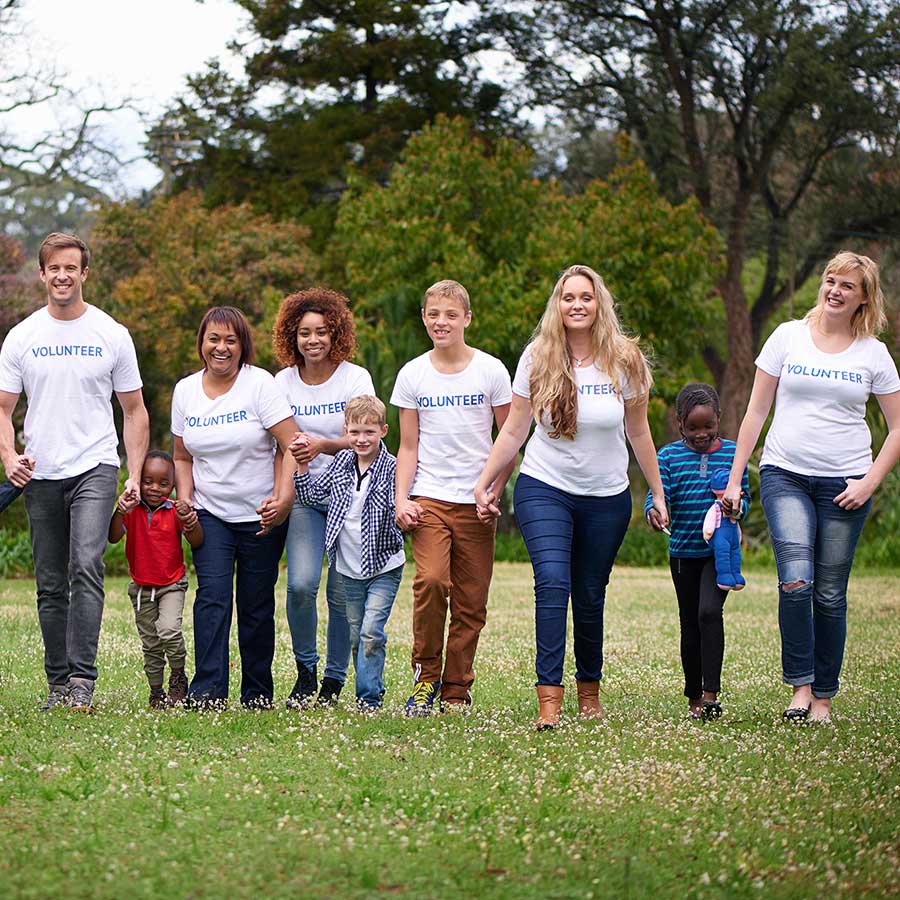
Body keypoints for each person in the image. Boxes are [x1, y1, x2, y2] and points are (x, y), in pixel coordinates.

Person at [475, 264, 668, 729]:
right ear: (557, 305)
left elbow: (639, 432)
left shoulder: (625, 359)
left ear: (599, 303)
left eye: (585, 297)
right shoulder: (537, 356)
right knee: (552, 583)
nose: (577, 305)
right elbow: (515, 428)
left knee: (589, 593)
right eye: (568, 297)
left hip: (606, 496)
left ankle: (589, 692)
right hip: (544, 487)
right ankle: (549, 701)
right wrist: (485, 481)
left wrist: (657, 493)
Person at [723, 251, 900, 724]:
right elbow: (756, 411)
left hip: (846, 484)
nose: (835, 290)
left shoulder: (873, 354)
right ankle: (800, 688)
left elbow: (897, 428)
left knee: (830, 594)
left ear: (864, 298)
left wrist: (870, 482)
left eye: (847, 285)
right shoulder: (788, 337)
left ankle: (823, 697)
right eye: (830, 280)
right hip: (785, 474)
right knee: (796, 581)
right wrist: (735, 478)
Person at [0, 232, 149, 713]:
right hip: (40, 470)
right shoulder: (22, 337)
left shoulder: (111, 333)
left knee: (85, 564)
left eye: (71, 268)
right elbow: (3, 409)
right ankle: (58, 684)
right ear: (42, 274)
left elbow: (134, 410)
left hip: (96, 465)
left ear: (84, 273)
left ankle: (83, 679)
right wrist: (9, 457)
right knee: (49, 581)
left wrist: (134, 473)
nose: (62, 276)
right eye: (54, 268)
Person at [391, 279, 513, 715]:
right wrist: (401, 499)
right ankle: (426, 679)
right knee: (431, 581)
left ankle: (457, 689)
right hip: (429, 498)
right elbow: (408, 446)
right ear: (424, 319)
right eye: (433, 314)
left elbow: (509, 440)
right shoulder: (412, 374)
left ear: (467, 319)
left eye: (450, 314)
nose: (441, 322)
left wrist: (493, 491)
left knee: (471, 601)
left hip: (477, 503)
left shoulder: (491, 371)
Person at [171, 306, 297, 709]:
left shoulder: (259, 385)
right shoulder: (185, 391)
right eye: (214, 339)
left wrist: (282, 499)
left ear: (243, 346)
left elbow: (291, 445)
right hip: (210, 514)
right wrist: (186, 499)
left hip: (260, 515)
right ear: (201, 343)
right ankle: (208, 691)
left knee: (256, 604)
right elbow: (182, 457)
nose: (221, 347)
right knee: (212, 597)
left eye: (230, 340)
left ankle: (257, 692)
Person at [273, 288, 375, 707]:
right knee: (300, 584)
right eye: (304, 333)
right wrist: (283, 495)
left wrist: (322, 445)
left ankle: (333, 680)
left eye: (321, 332)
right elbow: (281, 446)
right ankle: (306, 671)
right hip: (305, 496)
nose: (312, 340)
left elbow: (366, 438)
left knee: (340, 593)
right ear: (292, 336)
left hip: (348, 497)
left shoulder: (355, 378)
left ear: (335, 334)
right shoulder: (282, 382)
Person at [645, 383, 751, 721]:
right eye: (692, 427)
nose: (701, 434)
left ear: (719, 418)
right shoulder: (668, 457)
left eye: (708, 425)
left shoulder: (733, 454)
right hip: (682, 553)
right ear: (679, 423)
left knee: (709, 613)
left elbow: (745, 497)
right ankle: (693, 695)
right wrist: (654, 511)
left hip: (718, 554)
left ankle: (711, 695)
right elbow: (657, 495)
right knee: (689, 622)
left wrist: (737, 507)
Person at [293, 396, 405, 710]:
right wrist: (302, 464)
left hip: (383, 565)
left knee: (371, 631)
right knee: (356, 635)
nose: (361, 439)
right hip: (348, 567)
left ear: (383, 431)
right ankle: (373, 687)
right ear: (346, 431)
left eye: (369, 432)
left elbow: (402, 504)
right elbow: (312, 495)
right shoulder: (341, 462)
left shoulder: (393, 468)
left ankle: (368, 699)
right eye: (355, 432)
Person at [108, 450, 205, 708]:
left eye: (163, 483)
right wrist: (120, 511)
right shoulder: (132, 510)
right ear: (138, 481)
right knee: (150, 643)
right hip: (141, 587)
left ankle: (178, 675)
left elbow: (197, 541)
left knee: (169, 630)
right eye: (148, 481)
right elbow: (113, 537)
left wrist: (190, 521)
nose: (154, 488)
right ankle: (156, 691)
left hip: (171, 584)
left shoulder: (174, 511)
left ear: (172, 485)